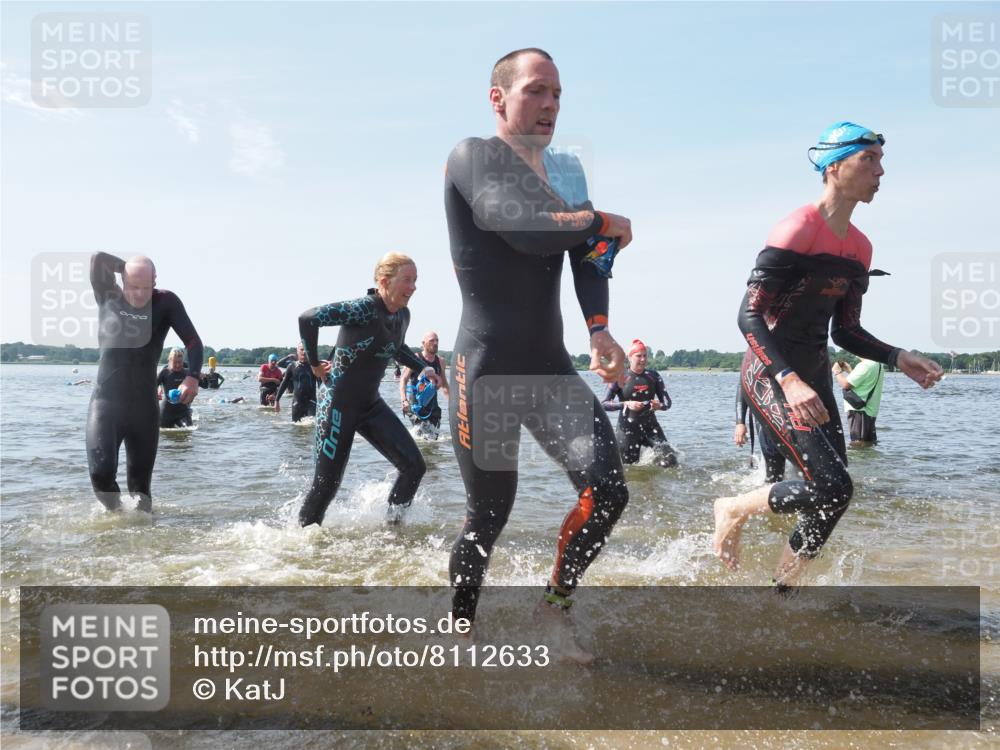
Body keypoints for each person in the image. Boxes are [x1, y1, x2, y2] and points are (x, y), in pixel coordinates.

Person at [445, 47, 635, 641]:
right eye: (535, 90)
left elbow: (587, 257)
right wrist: (600, 220)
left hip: (550, 368)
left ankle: (554, 606)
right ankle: (459, 627)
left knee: (607, 492)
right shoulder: (474, 157)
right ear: (498, 97)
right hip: (486, 369)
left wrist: (599, 327)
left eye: (556, 94)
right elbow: (523, 228)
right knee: (488, 517)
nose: (550, 104)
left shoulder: (568, 171)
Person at [712, 122, 944, 588]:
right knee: (831, 485)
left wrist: (898, 356)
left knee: (835, 494)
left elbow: (846, 330)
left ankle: (782, 592)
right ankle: (732, 508)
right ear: (834, 167)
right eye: (869, 159)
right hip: (772, 371)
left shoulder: (860, 248)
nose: (881, 171)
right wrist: (788, 379)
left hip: (814, 372)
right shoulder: (797, 228)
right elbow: (748, 317)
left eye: (881, 160)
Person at [297, 252, 439, 526]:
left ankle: (392, 531)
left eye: (415, 280)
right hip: (336, 404)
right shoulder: (363, 308)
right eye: (407, 280)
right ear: (384, 281)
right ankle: (303, 541)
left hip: (370, 405)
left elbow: (395, 347)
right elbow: (308, 319)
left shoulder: (402, 315)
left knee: (414, 467)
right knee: (326, 485)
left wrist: (423, 368)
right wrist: (314, 364)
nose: (413, 287)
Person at [86, 252, 202, 511]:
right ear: (121, 279)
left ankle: (141, 528)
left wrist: (192, 377)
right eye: (132, 286)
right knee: (101, 476)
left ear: (155, 281)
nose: (138, 294)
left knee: (140, 489)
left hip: (144, 408)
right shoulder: (108, 294)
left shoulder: (166, 302)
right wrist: (126, 267)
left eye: (145, 287)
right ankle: (117, 518)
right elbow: (97, 259)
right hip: (106, 404)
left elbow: (193, 342)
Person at [602, 339, 677, 467]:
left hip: (651, 428)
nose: (643, 359)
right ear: (629, 357)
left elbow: (667, 402)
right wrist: (626, 404)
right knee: (630, 469)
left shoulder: (653, 376)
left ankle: (655, 475)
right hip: (627, 431)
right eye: (639, 356)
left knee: (670, 460)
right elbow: (604, 404)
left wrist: (659, 406)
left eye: (645, 356)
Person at [734, 380, 786, 483]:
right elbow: (743, 385)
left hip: (798, 412)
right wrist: (740, 423)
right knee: (774, 474)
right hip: (767, 413)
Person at [400, 330, 450, 435]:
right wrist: (404, 400)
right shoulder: (415, 358)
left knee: (434, 439)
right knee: (422, 435)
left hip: (433, 408)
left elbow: (445, 386)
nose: (435, 343)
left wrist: (454, 405)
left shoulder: (441, 361)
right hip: (416, 406)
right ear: (423, 343)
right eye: (432, 340)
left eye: (437, 340)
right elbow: (403, 379)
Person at [834, 358, 884, 446]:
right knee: (868, 445)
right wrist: (850, 371)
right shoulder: (878, 364)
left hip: (859, 411)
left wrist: (837, 371)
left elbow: (845, 384)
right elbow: (864, 382)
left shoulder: (865, 365)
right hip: (870, 412)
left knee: (857, 444)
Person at [275, 343, 319, 422]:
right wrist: (277, 400)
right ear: (297, 352)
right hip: (297, 403)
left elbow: (321, 384)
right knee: (296, 426)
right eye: (302, 349)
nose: (304, 352)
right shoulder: (292, 366)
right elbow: (284, 384)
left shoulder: (314, 366)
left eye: (306, 350)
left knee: (310, 424)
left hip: (311, 402)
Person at [157, 348, 194, 428]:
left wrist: (203, 377)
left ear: (183, 361)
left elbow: (205, 385)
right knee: (163, 433)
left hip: (183, 412)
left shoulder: (188, 373)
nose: (177, 365)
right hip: (166, 412)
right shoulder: (164, 373)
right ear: (170, 360)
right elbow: (151, 387)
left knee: (189, 430)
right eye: (175, 362)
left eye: (180, 362)